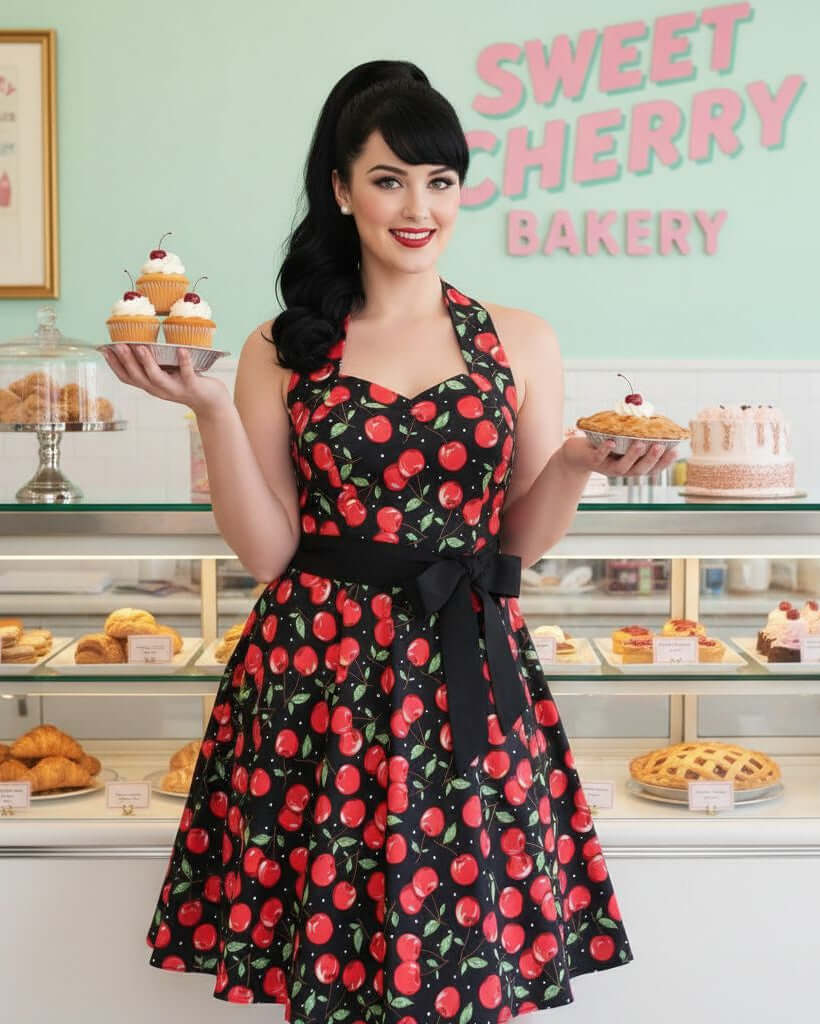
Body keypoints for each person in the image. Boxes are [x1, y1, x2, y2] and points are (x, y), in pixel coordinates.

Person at [106, 59, 672, 1018]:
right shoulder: (281, 347)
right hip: (315, 676)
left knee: (464, 959)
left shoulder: (518, 338)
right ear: (340, 188)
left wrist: (576, 463)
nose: (418, 207)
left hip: (467, 673)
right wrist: (206, 408)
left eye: (439, 182)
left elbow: (516, 549)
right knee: (331, 962)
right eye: (388, 179)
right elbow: (269, 555)